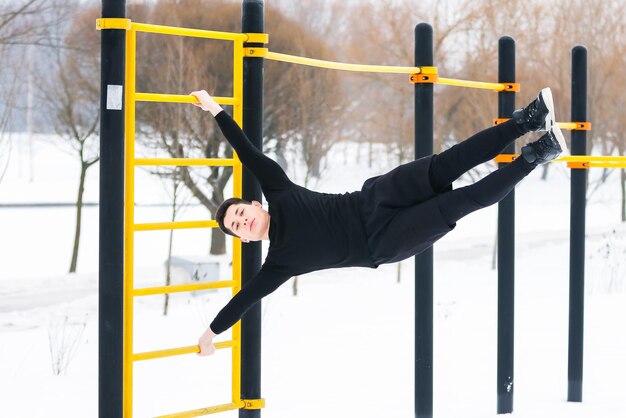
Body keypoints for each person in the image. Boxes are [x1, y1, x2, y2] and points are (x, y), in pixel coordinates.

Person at [190, 87, 567, 356]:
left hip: (374, 198)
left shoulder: (279, 190)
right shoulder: (278, 264)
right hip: (382, 243)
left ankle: (526, 121)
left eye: (241, 213)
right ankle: (535, 154)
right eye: (238, 227)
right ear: (245, 240)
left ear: (255, 204)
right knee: (459, 202)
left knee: (447, 163)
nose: (243, 222)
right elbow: (243, 300)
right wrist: (210, 333)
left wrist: (214, 109)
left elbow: (246, 151)